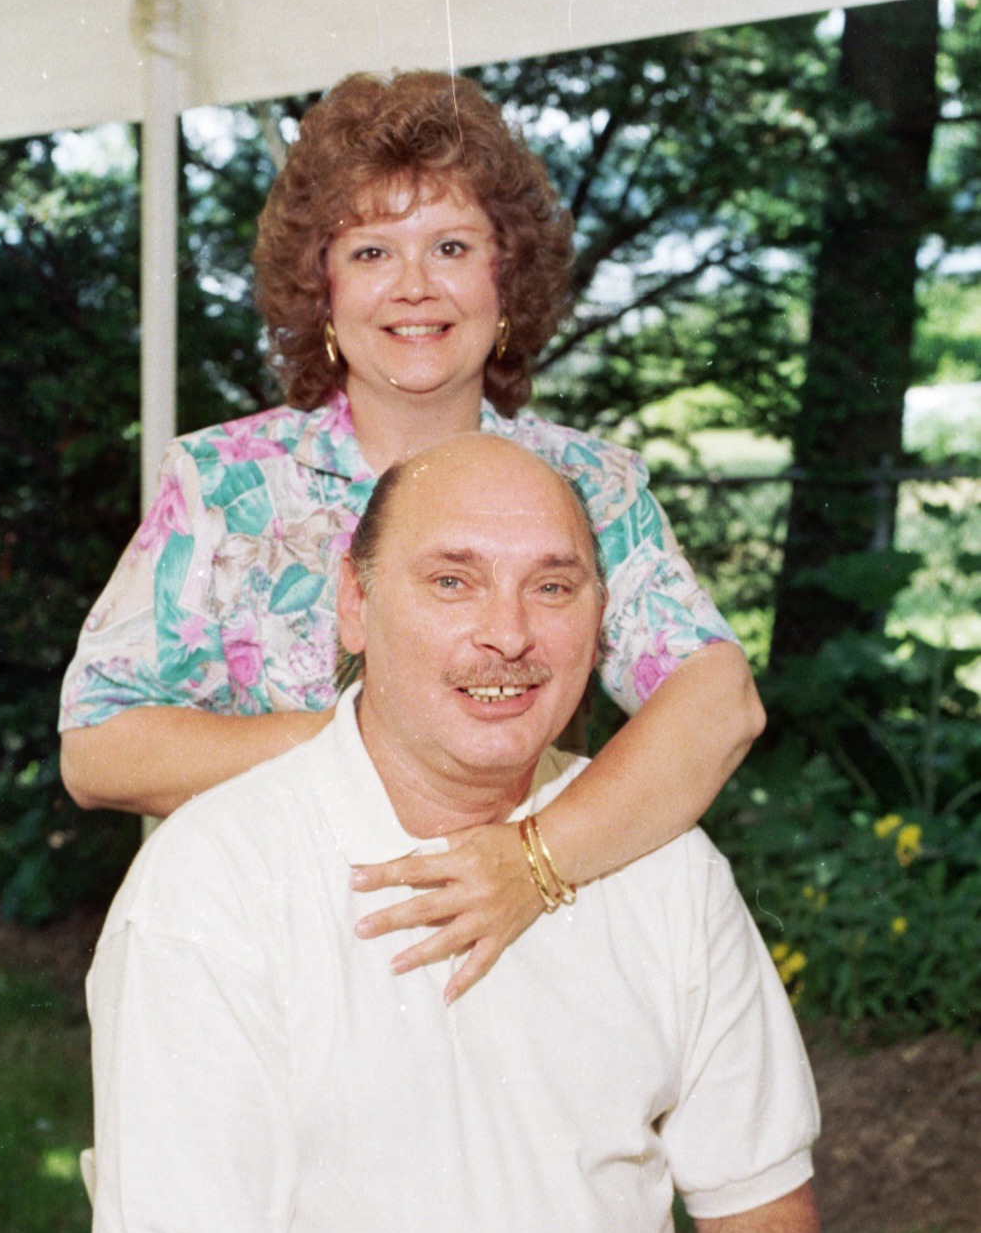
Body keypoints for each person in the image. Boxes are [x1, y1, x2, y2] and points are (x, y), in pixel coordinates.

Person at [87, 434, 821, 1233]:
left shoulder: (662, 861)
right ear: (354, 604)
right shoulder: (212, 882)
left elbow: (765, 1219)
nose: (508, 635)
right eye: (451, 582)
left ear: (599, 621)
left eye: (552, 588)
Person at [61, 70, 766, 1000]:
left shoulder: (590, 486)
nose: (414, 288)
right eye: (369, 254)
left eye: (450, 245)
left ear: (504, 276)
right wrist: (368, 750)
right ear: (321, 289)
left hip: (516, 943)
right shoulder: (228, 482)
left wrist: (532, 862)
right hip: (266, 958)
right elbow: (99, 744)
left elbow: (719, 704)